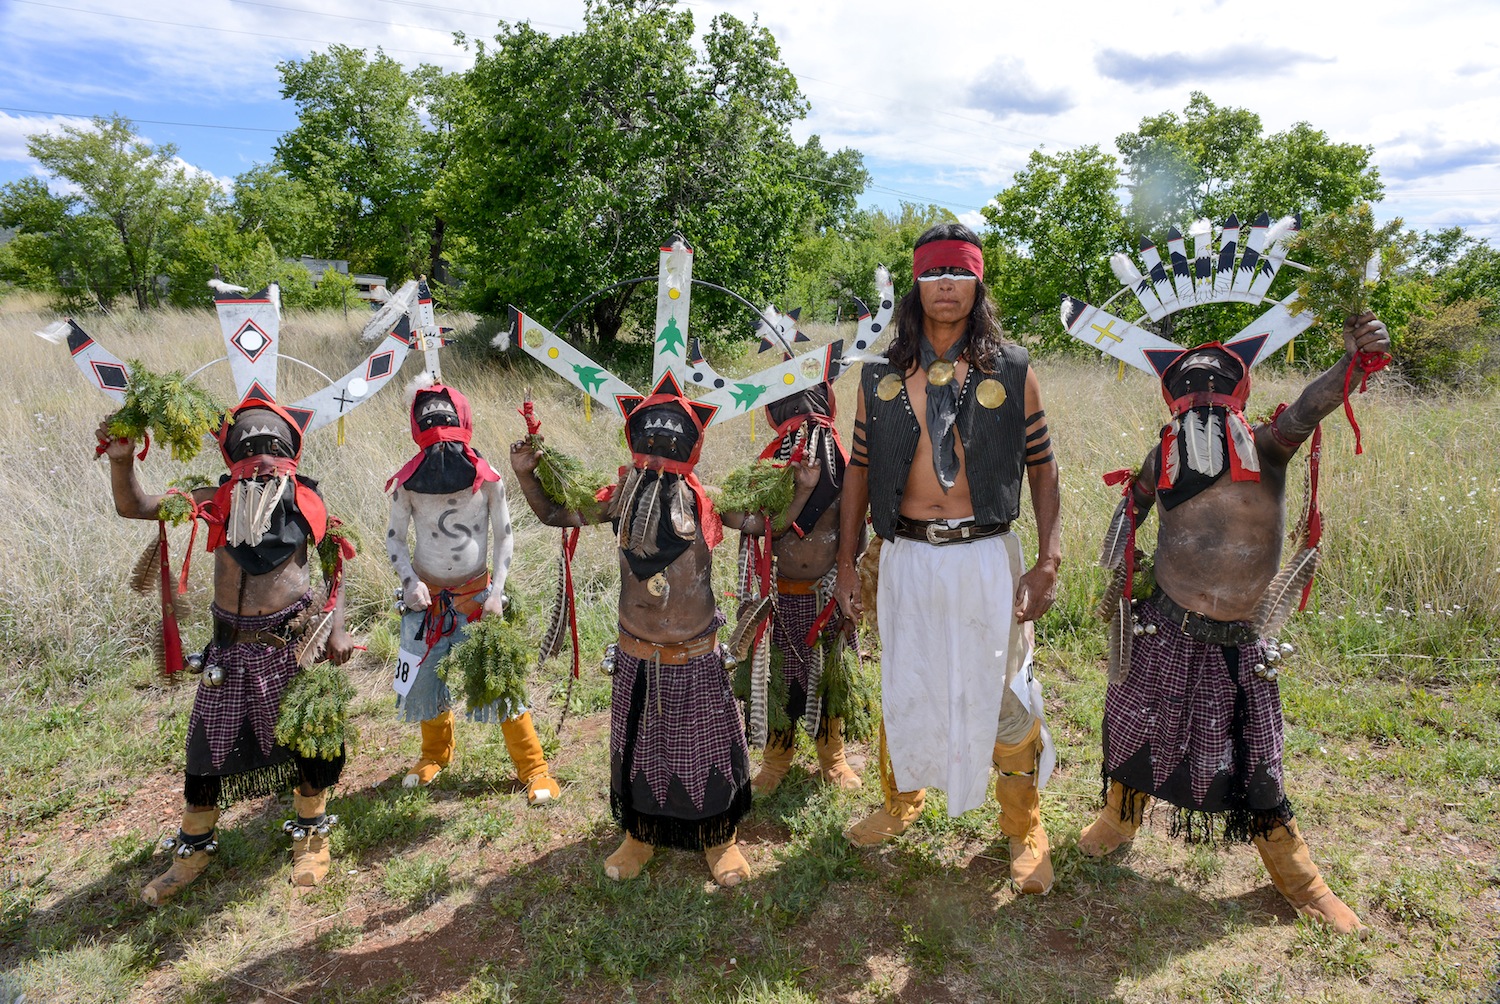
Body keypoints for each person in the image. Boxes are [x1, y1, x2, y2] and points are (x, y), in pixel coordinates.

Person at [1076, 314, 1390, 936]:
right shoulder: (1162, 454)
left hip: (1242, 637)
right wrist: (1115, 558)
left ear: (1237, 403)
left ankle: (1299, 877)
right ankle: (1120, 815)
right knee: (1135, 724)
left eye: (1216, 399)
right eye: (1192, 401)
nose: (1205, 413)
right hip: (1164, 624)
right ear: (1175, 407)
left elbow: (1310, 405)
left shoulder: (1271, 444)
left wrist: (1353, 361)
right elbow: (1131, 511)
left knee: (1256, 757)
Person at [834, 223, 1062, 895]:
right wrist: (847, 562)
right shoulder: (879, 377)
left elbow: (1045, 472)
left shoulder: (1012, 368)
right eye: (934, 276)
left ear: (977, 284)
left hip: (985, 554)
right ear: (916, 285)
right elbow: (858, 471)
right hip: (906, 554)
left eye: (958, 276)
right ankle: (902, 799)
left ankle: (1024, 825)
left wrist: (1047, 561)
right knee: (908, 677)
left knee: (1003, 691)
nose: (945, 289)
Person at [511, 382, 810, 886]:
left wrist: (801, 488)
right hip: (636, 654)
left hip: (696, 654)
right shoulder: (618, 499)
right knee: (638, 748)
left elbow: (766, 525)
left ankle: (720, 840)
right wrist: (526, 474)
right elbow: (553, 514)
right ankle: (639, 836)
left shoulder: (708, 502)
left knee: (710, 748)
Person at [99, 401, 354, 903]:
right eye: (249, 444)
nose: (261, 456)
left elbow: (336, 569)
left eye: (272, 445)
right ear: (230, 447)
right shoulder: (213, 498)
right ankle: (193, 850)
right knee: (206, 753)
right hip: (229, 651)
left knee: (310, 742)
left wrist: (336, 629)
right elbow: (135, 506)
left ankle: (312, 837)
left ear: (291, 449)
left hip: (292, 644)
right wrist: (121, 460)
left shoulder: (308, 502)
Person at [385, 376, 559, 802]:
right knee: (426, 679)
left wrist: (497, 591)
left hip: (478, 599)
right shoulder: (408, 483)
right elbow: (394, 538)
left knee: (500, 680)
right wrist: (409, 583)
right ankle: (434, 754)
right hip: (427, 605)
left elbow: (505, 536)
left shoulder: (490, 478)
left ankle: (533, 768)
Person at [729, 382, 864, 795]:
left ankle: (833, 758)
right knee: (778, 679)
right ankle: (776, 759)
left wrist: (851, 580)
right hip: (779, 596)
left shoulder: (846, 469)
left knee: (829, 679)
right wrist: (794, 488)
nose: (805, 434)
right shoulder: (763, 470)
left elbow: (857, 529)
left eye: (814, 421)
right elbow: (736, 516)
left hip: (827, 596)